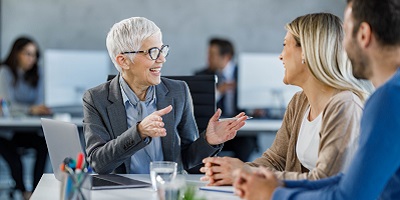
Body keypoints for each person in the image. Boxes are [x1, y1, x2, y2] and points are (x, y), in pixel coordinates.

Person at [233, 0, 400, 199]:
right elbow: (348, 181)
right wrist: (267, 180)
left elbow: (347, 196)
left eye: (346, 32)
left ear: (363, 34)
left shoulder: (388, 99)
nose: (341, 46)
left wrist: (274, 194)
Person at [200, 13, 371, 186]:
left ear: (305, 51)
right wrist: (231, 172)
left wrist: (246, 173)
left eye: (285, 45)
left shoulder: (345, 105)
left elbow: (326, 179)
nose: (280, 56)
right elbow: (276, 160)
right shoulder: (299, 102)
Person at [83, 17, 247, 175]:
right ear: (123, 60)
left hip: (168, 187)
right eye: (152, 52)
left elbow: (187, 159)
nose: (162, 59)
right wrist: (138, 132)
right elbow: (98, 164)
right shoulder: (96, 99)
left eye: (162, 50)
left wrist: (208, 141)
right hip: (122, 190)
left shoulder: (178, 91)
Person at [0, 37, 51, 199]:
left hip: (27, 130)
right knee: (11, 153)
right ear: (17, 54)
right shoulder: (5, 72)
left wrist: (37, 109)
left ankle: (36, 191)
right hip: (7, 132)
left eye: (34, 55)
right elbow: (7, 104)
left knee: (44, 145)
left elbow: (39, 102)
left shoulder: (37, 73)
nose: (32, 59)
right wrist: (31, 109)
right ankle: (24, 192)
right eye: (27, 54)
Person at [195, 38, 258, 162]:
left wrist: (256, 107)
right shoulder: (202, 75)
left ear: (227, 57)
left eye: (212, 54)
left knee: (245, 148)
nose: (208, 58)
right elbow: (199, 103)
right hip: (216, 129)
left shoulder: (246, 74)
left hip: (242, 131)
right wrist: (219, 91)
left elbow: (257, 100)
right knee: (205, 145)